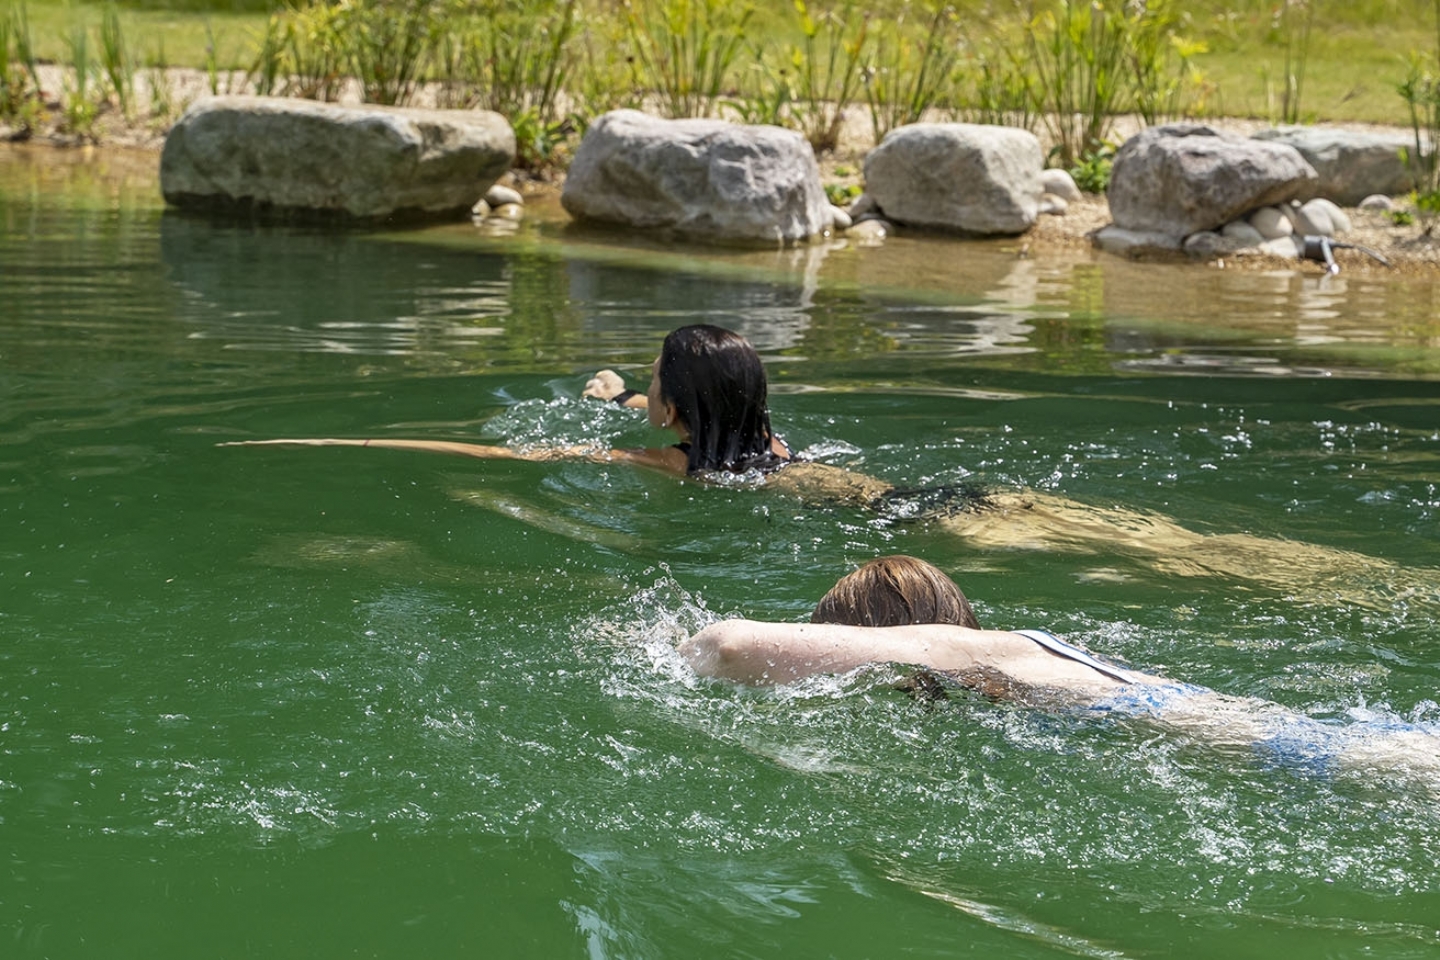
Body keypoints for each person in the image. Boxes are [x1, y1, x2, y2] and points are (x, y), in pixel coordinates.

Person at [679, 556, 1440, 785]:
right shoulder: (1027, 656)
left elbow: (725, 647)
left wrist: (648, 647)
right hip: (1315, 744)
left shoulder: (963, 651)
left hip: (1337, 762)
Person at [223, 324, 791, 478]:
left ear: (668, 412)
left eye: (655, 379)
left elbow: (508, 458)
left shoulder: (668, 463)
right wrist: (621, 398)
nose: (650, 379)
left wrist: (357, 440)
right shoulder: (774, 448)